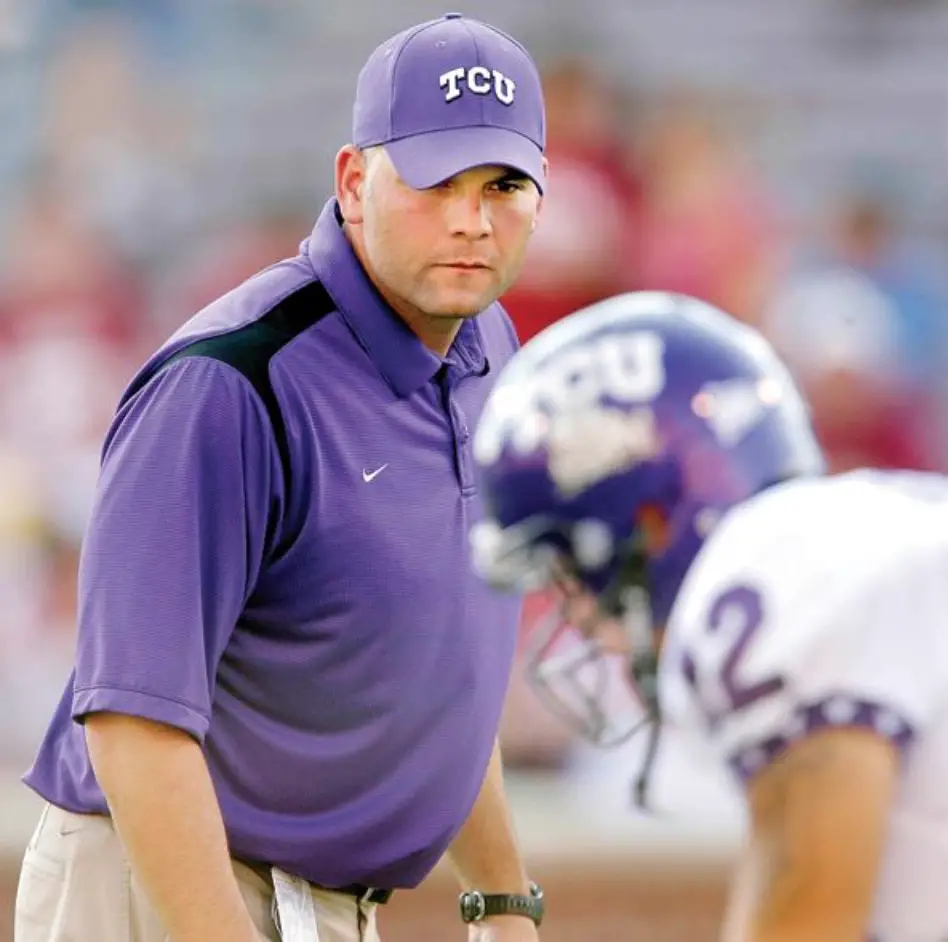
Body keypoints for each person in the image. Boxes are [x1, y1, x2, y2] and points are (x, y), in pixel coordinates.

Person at [15, 13, 549, 942]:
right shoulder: (231, 382)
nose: (472, 219)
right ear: (354, 181)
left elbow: (438, 671)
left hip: (321, 903)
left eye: (503, 183)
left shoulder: (490, 351)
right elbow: (133, 725)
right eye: (435, 180)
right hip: (159, 883)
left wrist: (503, 903)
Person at [470, 289, 948, 942]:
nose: (577, 618)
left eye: (569, 565)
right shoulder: (862, 528)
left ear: (645, 523)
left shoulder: (776, 581)